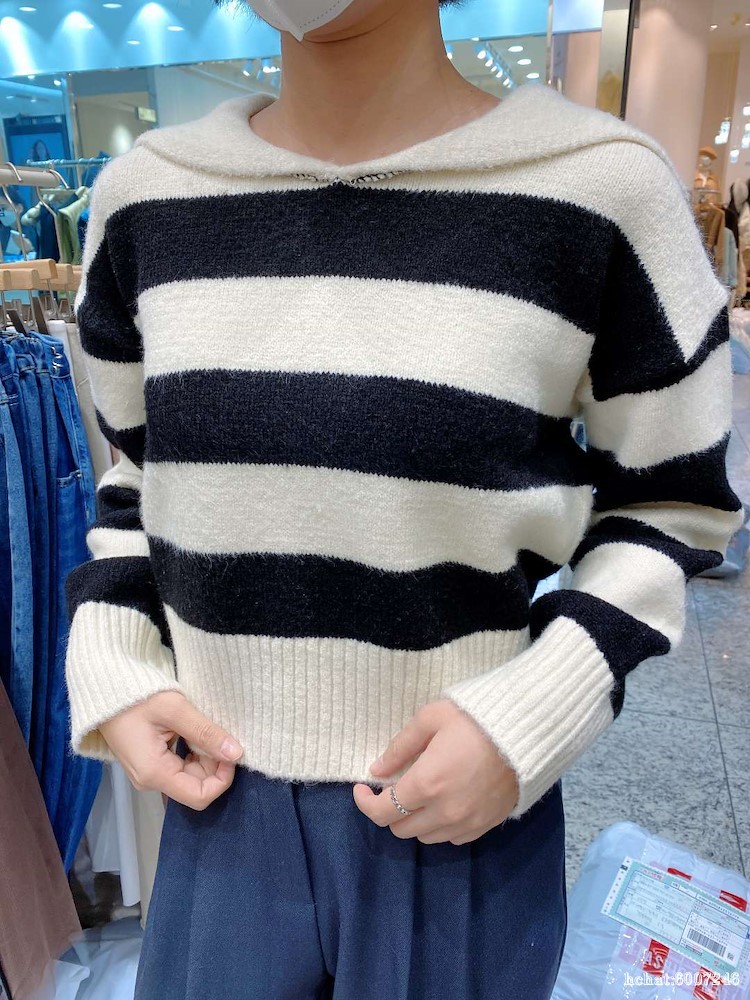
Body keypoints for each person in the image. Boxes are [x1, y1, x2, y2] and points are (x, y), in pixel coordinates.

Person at [63, 1, 743, 997]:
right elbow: (137, 475)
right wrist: (114, 659)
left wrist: (538, 710)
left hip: (458, 819)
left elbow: (674, 503)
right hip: (219, 811)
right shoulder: (145, 199)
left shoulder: (599, 188)